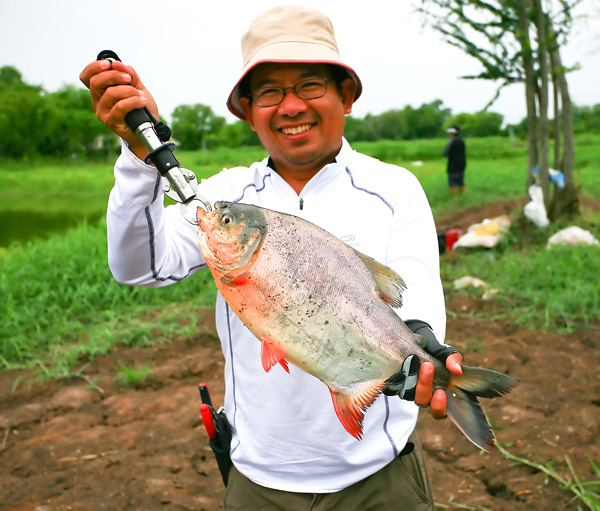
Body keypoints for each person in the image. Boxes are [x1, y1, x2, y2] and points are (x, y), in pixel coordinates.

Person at [80, 5, 462, 510]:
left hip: (380, 479)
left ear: (344, 95)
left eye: (310, 85)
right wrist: (137, 158)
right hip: (258, 480)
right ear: (248, 110)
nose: (291, 106)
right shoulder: (225, 196)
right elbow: (139, 265)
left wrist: (423, 355)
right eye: (270, 92)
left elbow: (415, 300)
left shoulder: (394, 189)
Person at [443, 125, 467, 196]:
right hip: (462, 164)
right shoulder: (462, 141)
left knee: (452, 182)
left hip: (453, 165)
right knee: (461, 182)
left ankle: (454, 197)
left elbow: (445, 153)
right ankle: (462, 196)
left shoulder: (451, 141)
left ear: (452, 133)